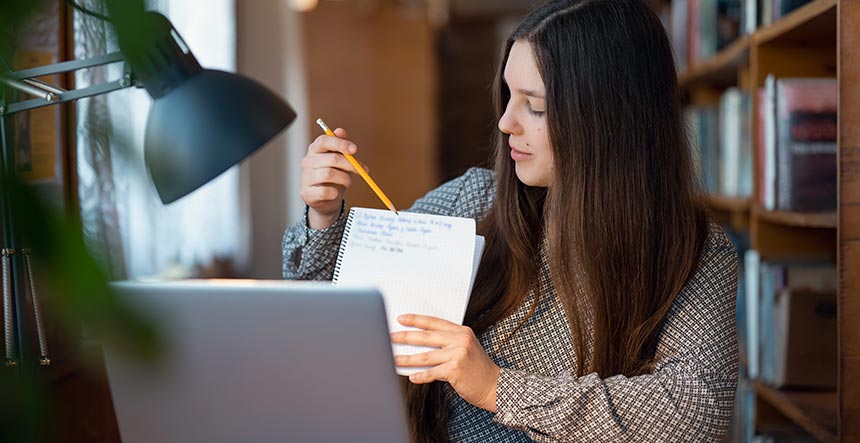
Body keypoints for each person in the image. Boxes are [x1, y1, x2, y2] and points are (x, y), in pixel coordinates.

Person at [282, 0, 739, 441]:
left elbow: (694, 411)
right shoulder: (473, 201)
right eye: (508, 96)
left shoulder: (696, 250)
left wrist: (498, 388)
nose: (504, 123)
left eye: (534, 107)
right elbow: (328, 316)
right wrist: (323, 217)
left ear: (608, 119)